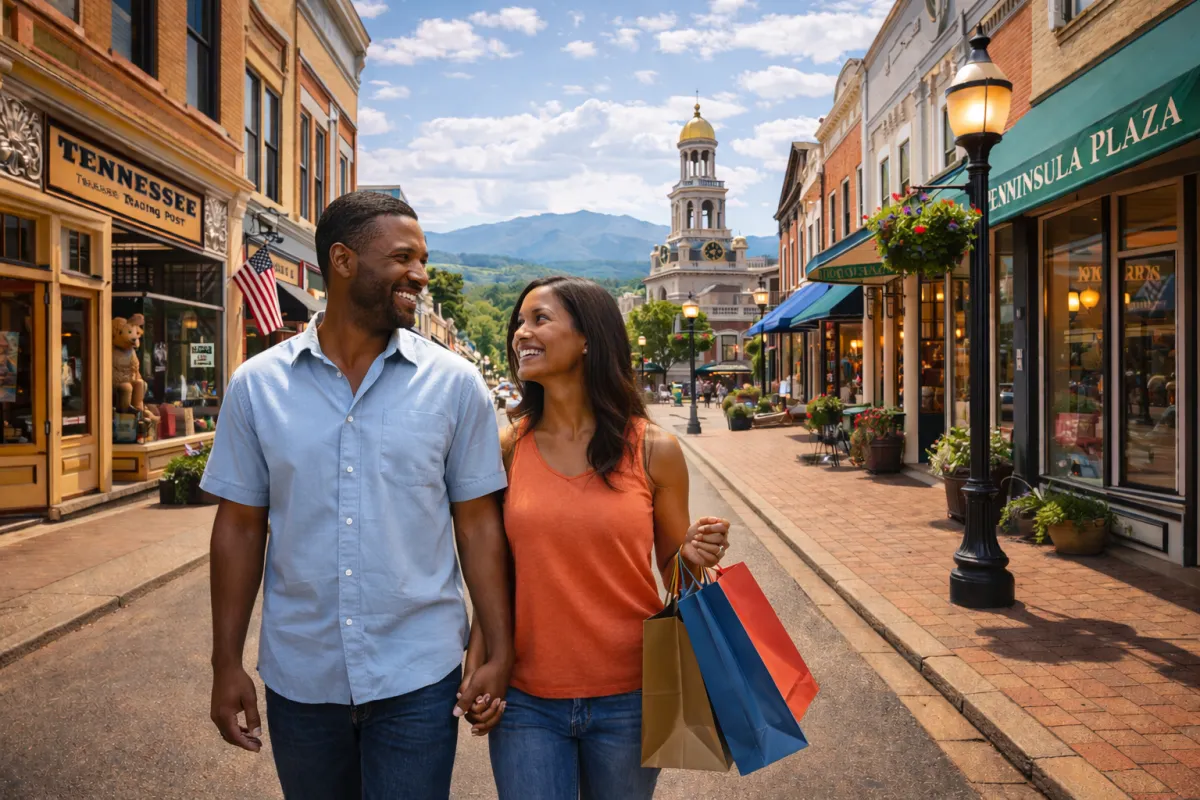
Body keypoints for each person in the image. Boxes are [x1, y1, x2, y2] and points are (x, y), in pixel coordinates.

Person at [202, 192, 513, 800]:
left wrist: (497, 646)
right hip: (301, 676)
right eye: (403, 257)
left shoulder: (454, 385)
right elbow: (239, 528)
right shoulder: (257, 387)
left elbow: (477, 526)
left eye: (423, 259)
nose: (420, 274)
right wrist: (225, 662)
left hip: (419, 677)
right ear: (342, 261)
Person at [463, 276, 730, 800]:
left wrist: (696, 553)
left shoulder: (655, 449)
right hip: (527, 701)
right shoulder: (507, 449)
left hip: (630, 696)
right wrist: (482, 657)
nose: (522, 333)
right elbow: (493, 570)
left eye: (540, 319)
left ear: (588, 338)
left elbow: (677, 573)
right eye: (519, 321)